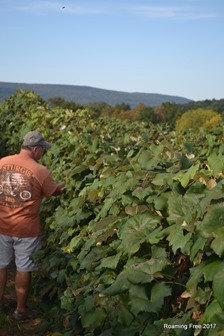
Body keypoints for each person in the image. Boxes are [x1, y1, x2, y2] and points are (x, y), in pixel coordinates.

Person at [0, 131, 65, 321]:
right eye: (43, 150)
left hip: (2, 224)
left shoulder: (2, 162)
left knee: (1, 265)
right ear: (36, 149)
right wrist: (63, 185)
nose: (43, 153)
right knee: (23, 268)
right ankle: (20, 311)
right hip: (26, 229)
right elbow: (53, 193)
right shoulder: (40, 171)